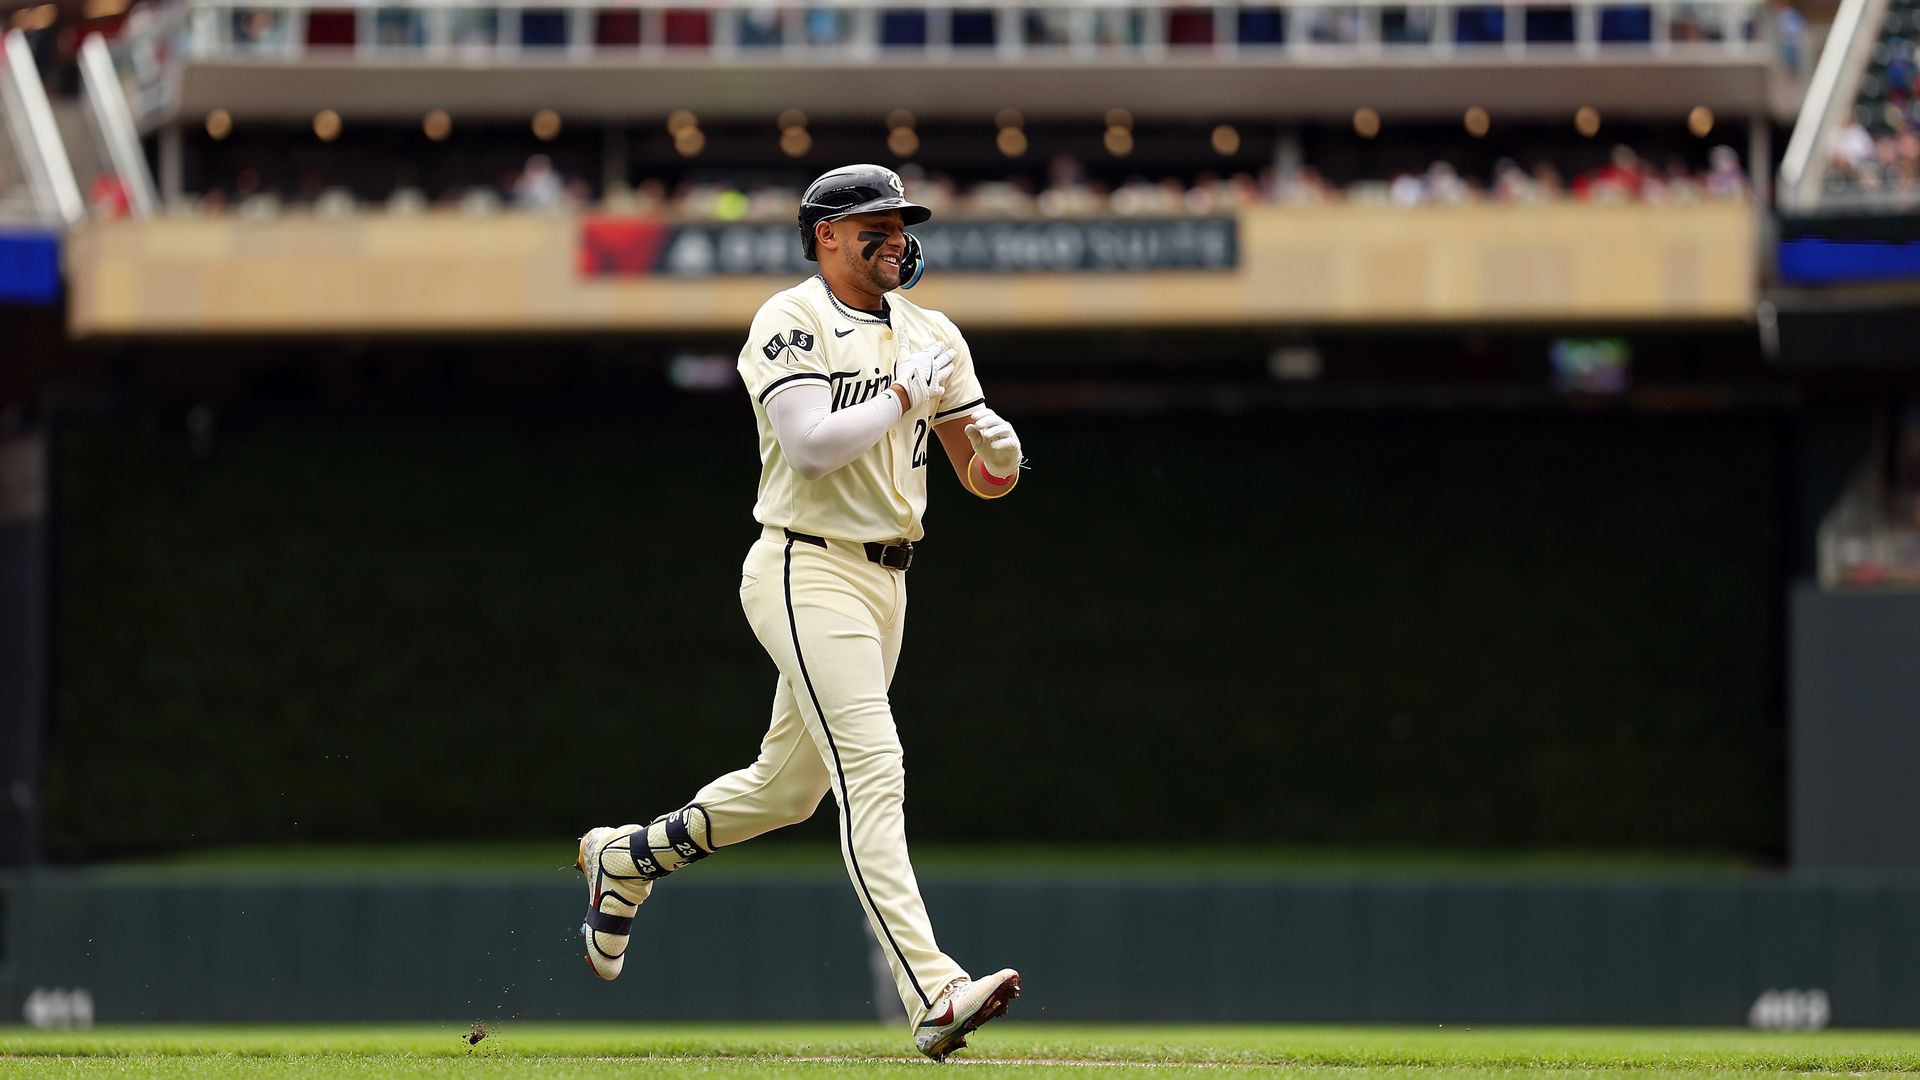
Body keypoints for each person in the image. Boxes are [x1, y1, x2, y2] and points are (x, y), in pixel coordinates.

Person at [574, 163, 1025, 1061]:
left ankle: (627, 860)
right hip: (803, 567)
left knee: (787, 791)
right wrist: (906, 394)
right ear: (826, 234)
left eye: (901, 224)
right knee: (873, 766)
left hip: (889, 578)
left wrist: (1001, 460)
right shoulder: (792, 318)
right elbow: (812, 447)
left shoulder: (933, 330)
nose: (896, 237)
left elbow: (976, 474)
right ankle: (931, 991)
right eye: (876, 225)